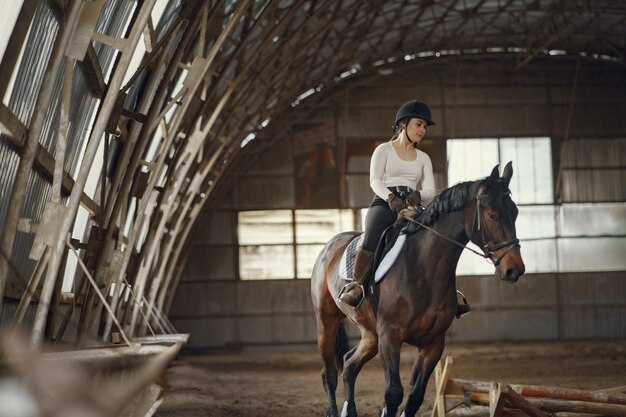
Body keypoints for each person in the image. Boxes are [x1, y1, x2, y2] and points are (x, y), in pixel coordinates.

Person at [338, 99, 436, 309]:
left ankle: (443, 290)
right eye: (419, 124)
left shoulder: (424, 158)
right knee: (373, 232)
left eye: (425, 127)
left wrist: (418, 196)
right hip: (384, 204)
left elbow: (431, 190)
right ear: (404, 124)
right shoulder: (383, 150)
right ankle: (356, 285)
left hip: (413, 206)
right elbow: (374, 180)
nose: (423, 130)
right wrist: (391, 198)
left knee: (434, 236)